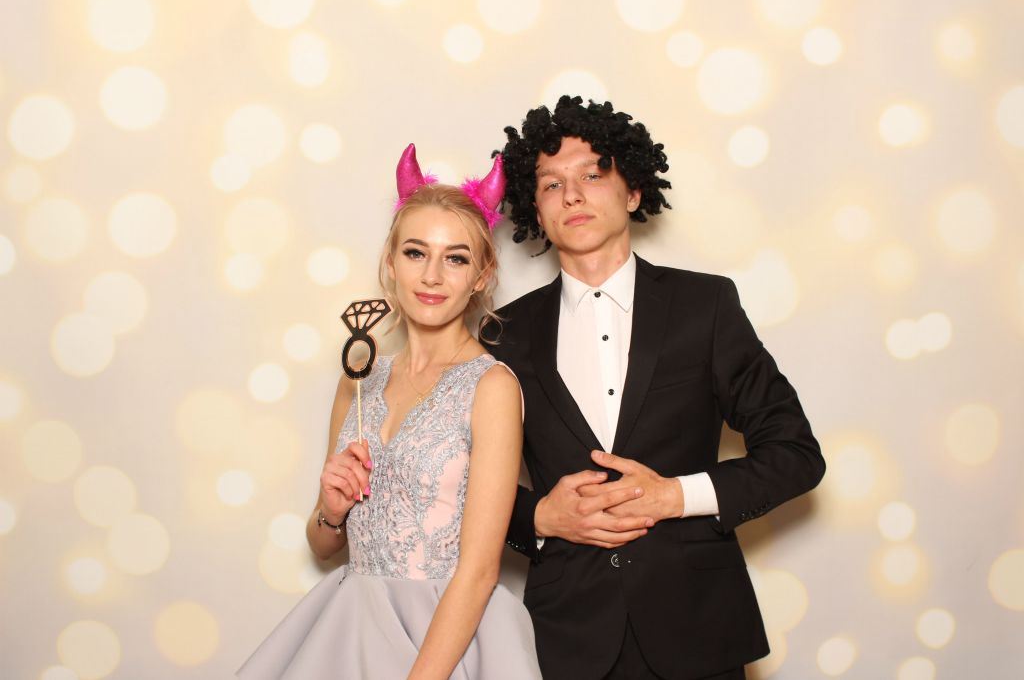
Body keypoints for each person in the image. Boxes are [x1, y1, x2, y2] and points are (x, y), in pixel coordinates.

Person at [482, 96, 826, 680]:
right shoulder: (502, 336)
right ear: (535, 209)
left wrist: (676, 496)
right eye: (551, 184)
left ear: (634, 191)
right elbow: (457, 487)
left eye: (593, 174)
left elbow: (795, 455)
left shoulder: (706, 306)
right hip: (568, 638)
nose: (572, 195)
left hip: (699, 627)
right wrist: (539, 516)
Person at [239, 144, 542, 679]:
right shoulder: (359, 380)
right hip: (354, 629)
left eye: (456, 258)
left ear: (481, 275)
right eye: (415, 253)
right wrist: (332, 509)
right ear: (390, 263)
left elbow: (479, 570)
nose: (432, 276)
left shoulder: (491, 387)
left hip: (445, 642)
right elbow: (324, 545)